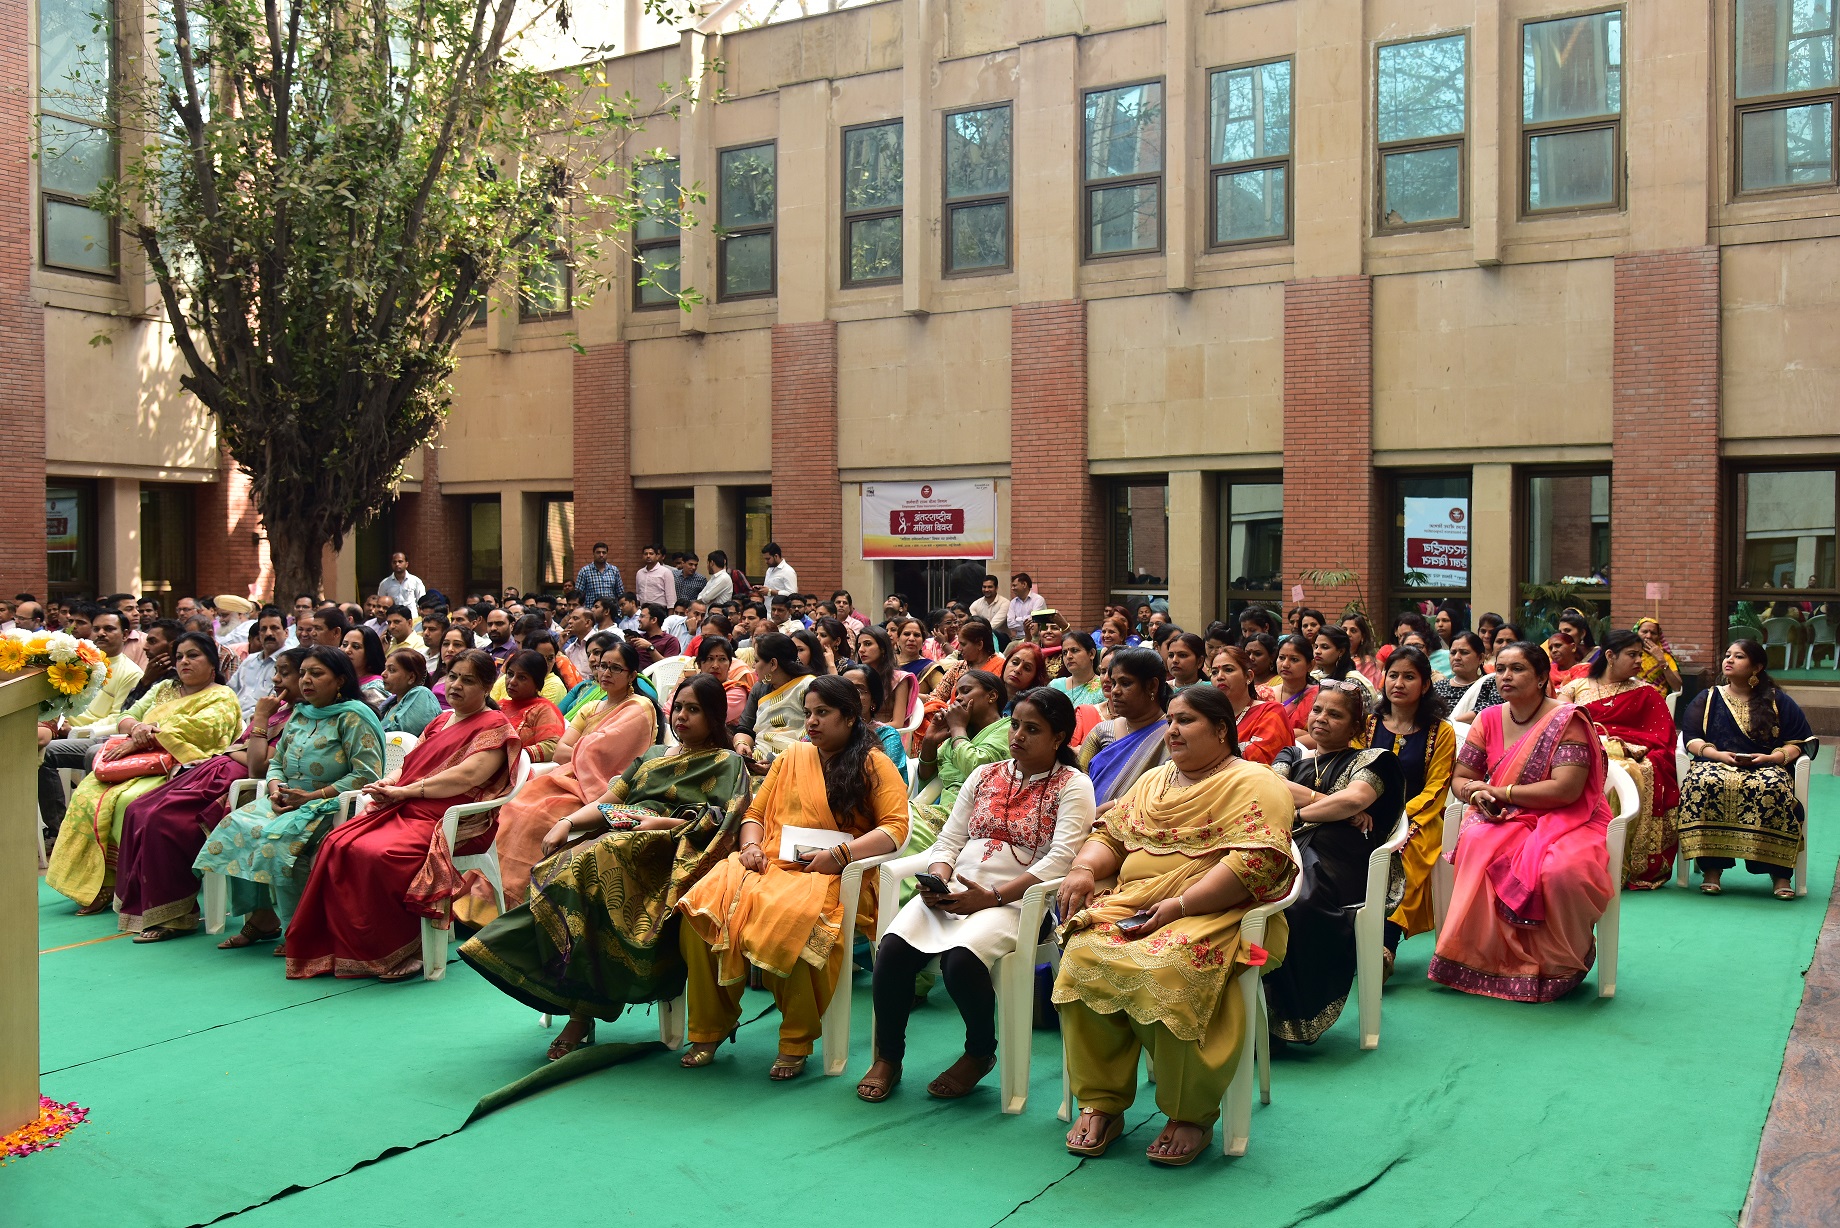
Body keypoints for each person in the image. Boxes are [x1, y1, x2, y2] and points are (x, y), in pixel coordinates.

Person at [1054, 685, 1297, 1164]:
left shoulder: (1255, 781)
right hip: (1137, 903)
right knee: (1083, 955)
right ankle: (1101, 1102)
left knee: (1167, 965)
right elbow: (1113, 836)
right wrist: (1083, 867)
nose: (1172, 731)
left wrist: (1181, 905)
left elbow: (1256, 863)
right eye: (1169, 720)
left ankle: (1190, 1114)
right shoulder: (1155, 781)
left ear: (1221, 729)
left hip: (1217, 911)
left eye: (1185, 721)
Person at [460, 674, 750, 1055]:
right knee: (569, 868)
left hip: (673, 856)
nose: (681, 716)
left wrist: (659, 825)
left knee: (590, 864)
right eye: (678, 707)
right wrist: (567, 823)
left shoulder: (728, 763)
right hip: (621, 844)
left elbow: (722, 821)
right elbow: (609, 803)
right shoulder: (652, 758)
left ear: (714, 716)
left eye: (693, 710)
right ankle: (578, 1007)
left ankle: (580, 1014)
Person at [860, 688, 1095, 1103]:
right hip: (958, 891)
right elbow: (949, 840)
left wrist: (993, 897)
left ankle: (980, 1052)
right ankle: (888, 1057)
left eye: (1032, 729)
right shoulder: (985, 774)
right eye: (1015, 725)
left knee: (961, 960)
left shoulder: (1073, 785)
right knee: (892, 950)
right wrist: (937, 880)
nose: (1017, 735)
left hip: (1021, 902)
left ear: (1058, 737)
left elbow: (1062, 858)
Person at [676, 675, 909, 1077]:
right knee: (700, 911)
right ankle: (710, 1027)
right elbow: (754, 815)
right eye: (808, 713)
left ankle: (795, 1039)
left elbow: (895, 828)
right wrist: (750, 847)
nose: (812, 722)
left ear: (850, 717)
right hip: (768, 862)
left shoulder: (874, 763)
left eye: (823, 713)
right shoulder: (791, 758)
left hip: (837, 874)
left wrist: (840, 855)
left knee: (795, 921)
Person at [284, 649, 521, 980]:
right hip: (408, 806)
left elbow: (467, 777)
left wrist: (406, 791)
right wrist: (390, 782)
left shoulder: (495, 726)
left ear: (486, 687)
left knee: (383, 854)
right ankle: (345, 946)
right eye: (453, 676)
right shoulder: (441, 721)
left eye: (467, 680)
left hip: (452, 818)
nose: (456, 685)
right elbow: (410, 765)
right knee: (337, 843)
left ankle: (405, 949)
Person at [1431, 643, 1614, 1002]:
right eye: (1500, 669)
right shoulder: (1487, 719)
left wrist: (1500, 792)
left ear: (1542, 677)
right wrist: (1476, 796)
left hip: (1571, 818)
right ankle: (1487, 961)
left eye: (1517, 669)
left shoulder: (1566, 719)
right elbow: (1462, 777)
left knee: (1561, 870)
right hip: (1508, 815)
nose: (1505, 676)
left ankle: (1558, 965)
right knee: (1479, 843)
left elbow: (1566, 790)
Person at [195, 646, 387, 947]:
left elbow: (366, 774)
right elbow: (276, 763)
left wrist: (311, 796)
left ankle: (299, 931)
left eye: (316, 673)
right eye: (304, 673)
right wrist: (275, 791)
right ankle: (262, 917)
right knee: (235, 827)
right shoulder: (300, 713)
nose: (306, 680)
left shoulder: (353, 717)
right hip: (289, 800)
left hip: (333, 804)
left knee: (282, 843)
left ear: (340, 680)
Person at [45, 632, 243, 913]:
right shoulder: (164, 688)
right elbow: (127, 715)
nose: (184, 662)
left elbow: (204, 732)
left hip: (184, 769)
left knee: (128, 801)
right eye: (179, 657)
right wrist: (137, 728)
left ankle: (131, 882)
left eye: (193, 655)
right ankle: (100, 882)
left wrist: (146, 738)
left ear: (212, 662)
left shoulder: (223, 696)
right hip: (137, 761)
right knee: (87, 794)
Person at [115, 649, 304, 940]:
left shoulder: (297, 717)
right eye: (276, 671)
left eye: (285, 673)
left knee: (163, 819)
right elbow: (241, 750)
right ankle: (142, 908)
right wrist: (238, 748)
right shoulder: (278, 709)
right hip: (217, 769)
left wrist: (256, 724)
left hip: (238, 781)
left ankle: (175, 916)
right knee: (137, 809)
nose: (276, 679)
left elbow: (257, 765)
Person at [1263, 683, 1406, 1044]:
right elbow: (1269, 790)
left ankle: (1286, 1016)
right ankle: (1250, 1012)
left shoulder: (1373, 760)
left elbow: (1354, 799)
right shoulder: (1291, 755)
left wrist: (1299, 813)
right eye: (1317, 710)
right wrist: (1327, 803)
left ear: (1356, 726)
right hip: (1287, 848)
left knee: (1296, 901)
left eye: (1335, 714)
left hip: (1341, 860)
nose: (1322, 718)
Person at [494, 640, 659, 905]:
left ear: (632, 675)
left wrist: (583, 747)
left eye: (616, 668)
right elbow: (561, 751)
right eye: (603, 666)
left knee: (538, 816)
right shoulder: (590, 708)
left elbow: (601, 754)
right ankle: (494, 896)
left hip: (604, 788)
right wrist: (586, 748)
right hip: (570, 776)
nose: (606, 673)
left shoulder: (639, 707)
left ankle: (525, 900)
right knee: (514, 806)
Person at [1677, 639, 1813, 900]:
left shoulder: (1777, 700)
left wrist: (1772, 758)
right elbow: (1691, 738)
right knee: (1704, 782)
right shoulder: (1708, 698)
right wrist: (1717, 755)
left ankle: (1780, 874)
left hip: (1766, 766)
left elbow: (1798, 743)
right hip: (1715, 763)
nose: (1728, 660)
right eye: (1727, 655)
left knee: (1772, 786)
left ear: (1756, 667)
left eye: (1738, 657)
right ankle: (1712, 870)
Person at [1558, 630, 1680, 888]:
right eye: (1632, 655)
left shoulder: (1646, 692)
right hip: (1582, 750)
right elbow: (1560, 723)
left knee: (1629, 772)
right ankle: (1577, 860)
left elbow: (1662, 737)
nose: (1639, 661)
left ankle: (1619, 863)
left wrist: (1622, 745)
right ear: (1610, 656)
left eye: (1641, 655)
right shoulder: (1575, 687)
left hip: (1627, 754)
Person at [1366, 647, 1456, 960]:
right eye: (1393, 675)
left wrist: (1399, 815)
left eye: (1409, 677)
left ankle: (1385, 947)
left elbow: (1437, 786)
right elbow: (1353, 770)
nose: (1399, 683)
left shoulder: (1440, 731)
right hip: (1365, 814)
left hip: (1420, 818)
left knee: (1403, 852)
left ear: (1425, 684)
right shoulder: (1368, 725)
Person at [34, 610, 147, 834]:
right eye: (97, 629)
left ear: (126, 634)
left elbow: (119, 717)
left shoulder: (130, 672)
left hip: (98, 737)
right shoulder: (82, 664)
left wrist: (76, 730)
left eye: (109, 629)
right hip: (63, 729)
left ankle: (66, 830)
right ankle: (56, 826)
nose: (101, 633)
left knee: (44, 750)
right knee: (32, 747)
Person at [911, 669, 1011, 854]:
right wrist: (930, 741)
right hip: (942, 810)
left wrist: (957, 728)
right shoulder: (961, 732)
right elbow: (928, 778)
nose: (957, 698)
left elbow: (977, 769)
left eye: (966, 691)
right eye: (956, 693)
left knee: (902, 828)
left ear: (991, 696)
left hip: (975, 817)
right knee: (893, 820)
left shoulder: (1008, 729)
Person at [1077, 648, 1171, 810]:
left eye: (1125, 683)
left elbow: (1169, 791)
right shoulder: (1102, 732)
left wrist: (1115, 807)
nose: (1115, 691)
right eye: (1114, 683)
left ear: (1152, 686)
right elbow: (1076, 781)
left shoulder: (1171, 735)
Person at [732, 632, 816, 768]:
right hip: (757, 762)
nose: (753, 666)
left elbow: (816, 734)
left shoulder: (809, 687)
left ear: (773, 664)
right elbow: (745, 729)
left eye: (757, 661)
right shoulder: (759, 688)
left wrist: (780, 763)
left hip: (797, 763)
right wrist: (742, 744)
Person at [1209, 645, 1294, 766]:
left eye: (1228, 670)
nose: (1219, 677)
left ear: (1248, 677)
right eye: (1214, 672)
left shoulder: (1270, 712)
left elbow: (1259, 760)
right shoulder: (1209, 717)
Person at [498, 649, 567, 762]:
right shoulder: (499, 706)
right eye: (510, 674)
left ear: (537, 684)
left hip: (520, 768)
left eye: (522, 677)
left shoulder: (543, 709)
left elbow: (552, 747)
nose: (512, 681)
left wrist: (515, 756)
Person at [842, 665, 909, 775]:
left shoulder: (886, 735)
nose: (848, 696)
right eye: (843, 689)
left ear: (873, 700)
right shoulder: (828, 731)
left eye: (858, 690)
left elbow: (894, 779)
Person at [228, 609, 288, 717]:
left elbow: (279, 705)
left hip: (260, 721)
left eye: (274, 628)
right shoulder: (250, 660)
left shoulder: (290, 664)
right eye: (263, 629)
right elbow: (229, 691)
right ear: (259, 634)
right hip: (231, 717)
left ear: (286, 633)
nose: (268, 633)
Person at [853, 624, 913, 725]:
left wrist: (868, 730)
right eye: (859, 646)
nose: (861, 650)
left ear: (883, 649)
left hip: (885, 732)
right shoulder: (857, 677)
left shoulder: (899, 679)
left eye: (867, 644)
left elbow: (898, 723)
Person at [1436, 631, 1501, 719]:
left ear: (1480, 658)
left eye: (1464, 652)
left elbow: (1493, 709)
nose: (1456, 657)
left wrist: (1452, 723)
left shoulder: (1491, 684)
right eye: (1453, 653)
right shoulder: (1438, 687)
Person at [378, 648, 441, 736]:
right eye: (385, 668)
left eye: (392, 670)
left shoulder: (422, 694)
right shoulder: (391, 702)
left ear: (411, 677)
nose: (383, 674)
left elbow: (398, 734)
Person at [1273, 633, 1319, 744]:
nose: (1285, 664)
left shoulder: (1319, 696)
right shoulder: (1262, 694)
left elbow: (1323, 737)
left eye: (1294, 659)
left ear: (1310, 665)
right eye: (1281, 658)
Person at [1051, 630, 1103, 708]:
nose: (1068, 656)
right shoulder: (1055, 686)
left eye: (1074, 650)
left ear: (1091, 654)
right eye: (1065, 652)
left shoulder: (1103, 687)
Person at [1632, 618, 1682, 693]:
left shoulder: (1665, 656)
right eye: (1644, 632)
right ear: (1636, 633)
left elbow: (1677, 687)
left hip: (1656, 696)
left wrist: (1661, 660)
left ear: (1658, 636)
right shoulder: (1628, 654)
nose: (1648, 636)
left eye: (1653, 633)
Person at [574, 541, 624, 607]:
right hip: (591, 610)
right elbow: (578, 595)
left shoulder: (614, 571)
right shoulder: (584, 571)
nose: (601, 555)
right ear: (593, 554)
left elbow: (620, 593)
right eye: (598, 552)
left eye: (604, 552)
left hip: (611, 610)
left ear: (607, 554)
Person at [1341, 613, 1383, 687]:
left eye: (1353, 631)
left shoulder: (1368, 664)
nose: (1347, 634)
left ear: (1362, 637)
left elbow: (1369, 690)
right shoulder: (1332, 657)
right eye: (1344, 630)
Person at [1005, 573, 1046, 643]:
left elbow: (1034, 621)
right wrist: (1026, 622)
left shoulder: (1038, 600)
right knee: (1009, 648)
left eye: (1014, 585)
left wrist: (1017, 619)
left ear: (1024, 584)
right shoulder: (1013, 602)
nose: (1012, 588)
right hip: (1018, 639)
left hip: (1035, 638)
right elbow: (1010, 624)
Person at [634, 544, 677, 608]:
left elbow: (671, 596)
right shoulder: (640, 573)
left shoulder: (665, 572)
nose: (648, 556)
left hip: (660, 609)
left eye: (651, 554)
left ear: (657, 556)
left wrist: (670, 613)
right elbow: (638, 593)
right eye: (645, 554)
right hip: (643, 609)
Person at [1242, 632, 1280, 699]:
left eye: (1257, 654)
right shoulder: (1240, 680)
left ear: (1272, 657)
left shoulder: (1280, 682)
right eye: (1248, 653)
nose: (1251, 658)